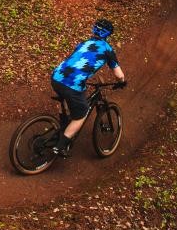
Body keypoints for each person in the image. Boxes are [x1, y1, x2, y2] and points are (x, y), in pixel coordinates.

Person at [50, 18, 127, 156]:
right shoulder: (107, 49)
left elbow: (75, 62)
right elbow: (118, 74)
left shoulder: (84, 43)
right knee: (82, 112)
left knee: (77, 95)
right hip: (72, 84)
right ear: (108, 34)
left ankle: (64, 124)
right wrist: (121, 81)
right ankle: (61, 146)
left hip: (56, 76)